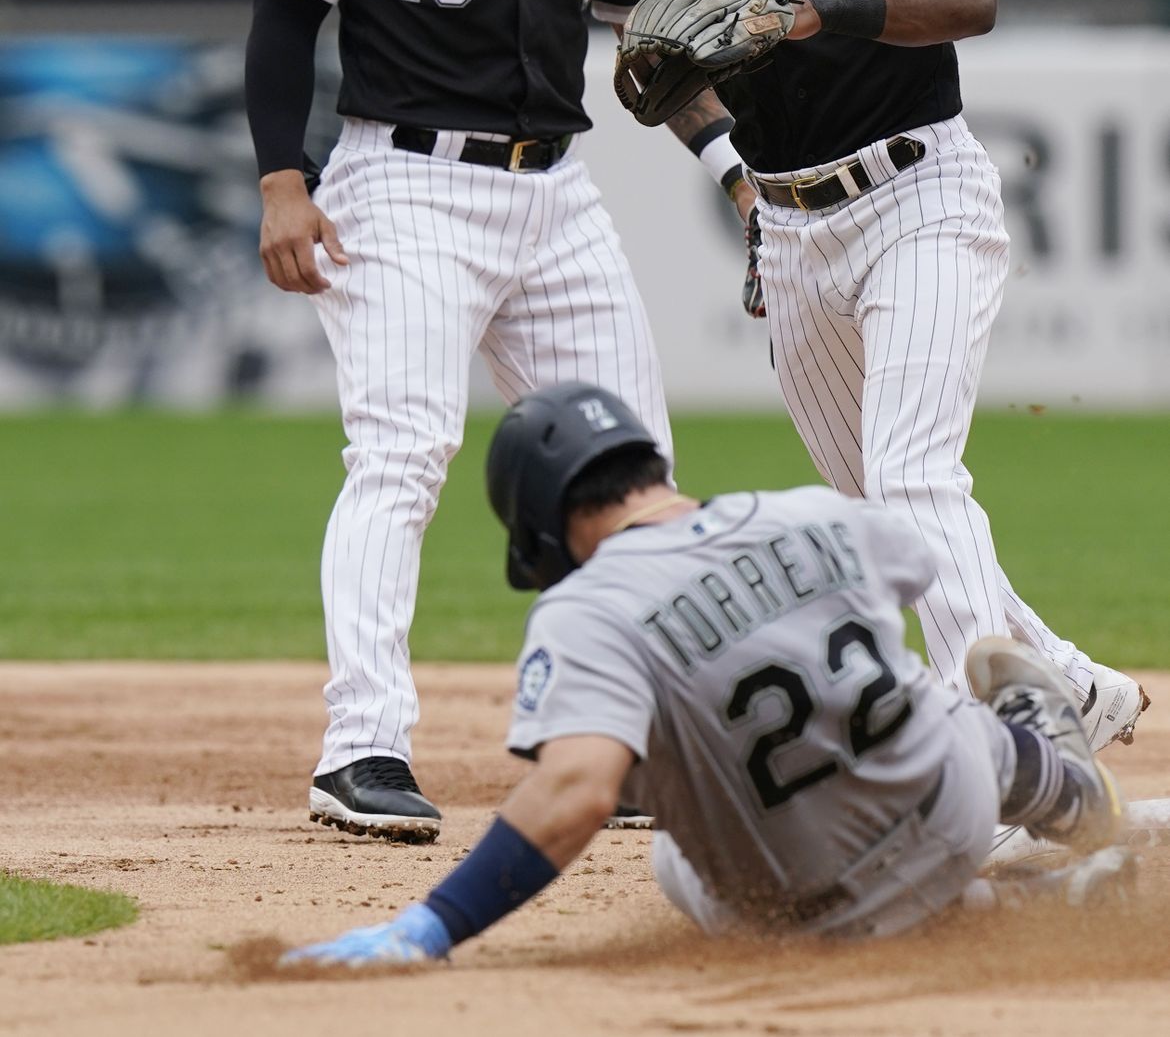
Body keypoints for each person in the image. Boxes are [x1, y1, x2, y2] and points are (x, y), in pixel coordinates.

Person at [523, 0, 1148, 755]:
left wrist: (815, 10)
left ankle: (1002, 738)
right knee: (885, 512)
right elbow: (613, 24)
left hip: (918, 193)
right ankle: (1069, 683)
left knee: (913, 474)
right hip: (792, 224)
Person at [244, 0, 740, 843]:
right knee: (404, 451)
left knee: (631, 470)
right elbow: (280, 16)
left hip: (554, 187)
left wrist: (730, 161)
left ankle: (621, 751)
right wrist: (279, 179)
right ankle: (359, 748)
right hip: (402, 177)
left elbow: (658, 40)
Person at [279, 382, 1129, 969]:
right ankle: (1058, 782)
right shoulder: (814, 512)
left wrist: (432, 925)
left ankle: (1013, 903)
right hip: (951, 819)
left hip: (807, 913)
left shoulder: (587, 611)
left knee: (671, 848)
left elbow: (575, 790)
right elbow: (917, 563)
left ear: (548, 516)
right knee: (941, 712)